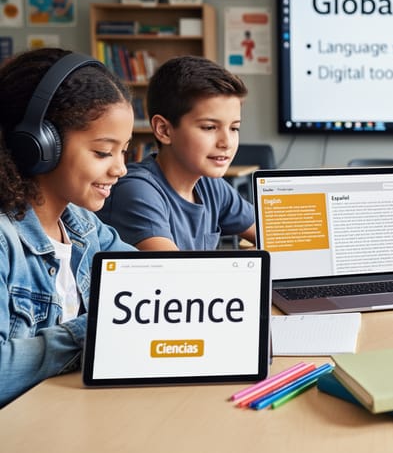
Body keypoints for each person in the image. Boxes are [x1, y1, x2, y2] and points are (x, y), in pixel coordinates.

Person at [0, 48, 135, 406]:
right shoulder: (4, 241)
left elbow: (153, 276)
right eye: (104, 152)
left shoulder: (84, 228)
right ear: (41, 145)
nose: (120, 168)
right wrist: (88, 332)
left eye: (125, 151)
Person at [97, 56, 256, 250]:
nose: (226, 142)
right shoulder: (137, 190)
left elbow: (277, 237)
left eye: (234, 128)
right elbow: (176, 275)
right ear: (164, 130)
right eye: (209, 127)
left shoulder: (210, 185)